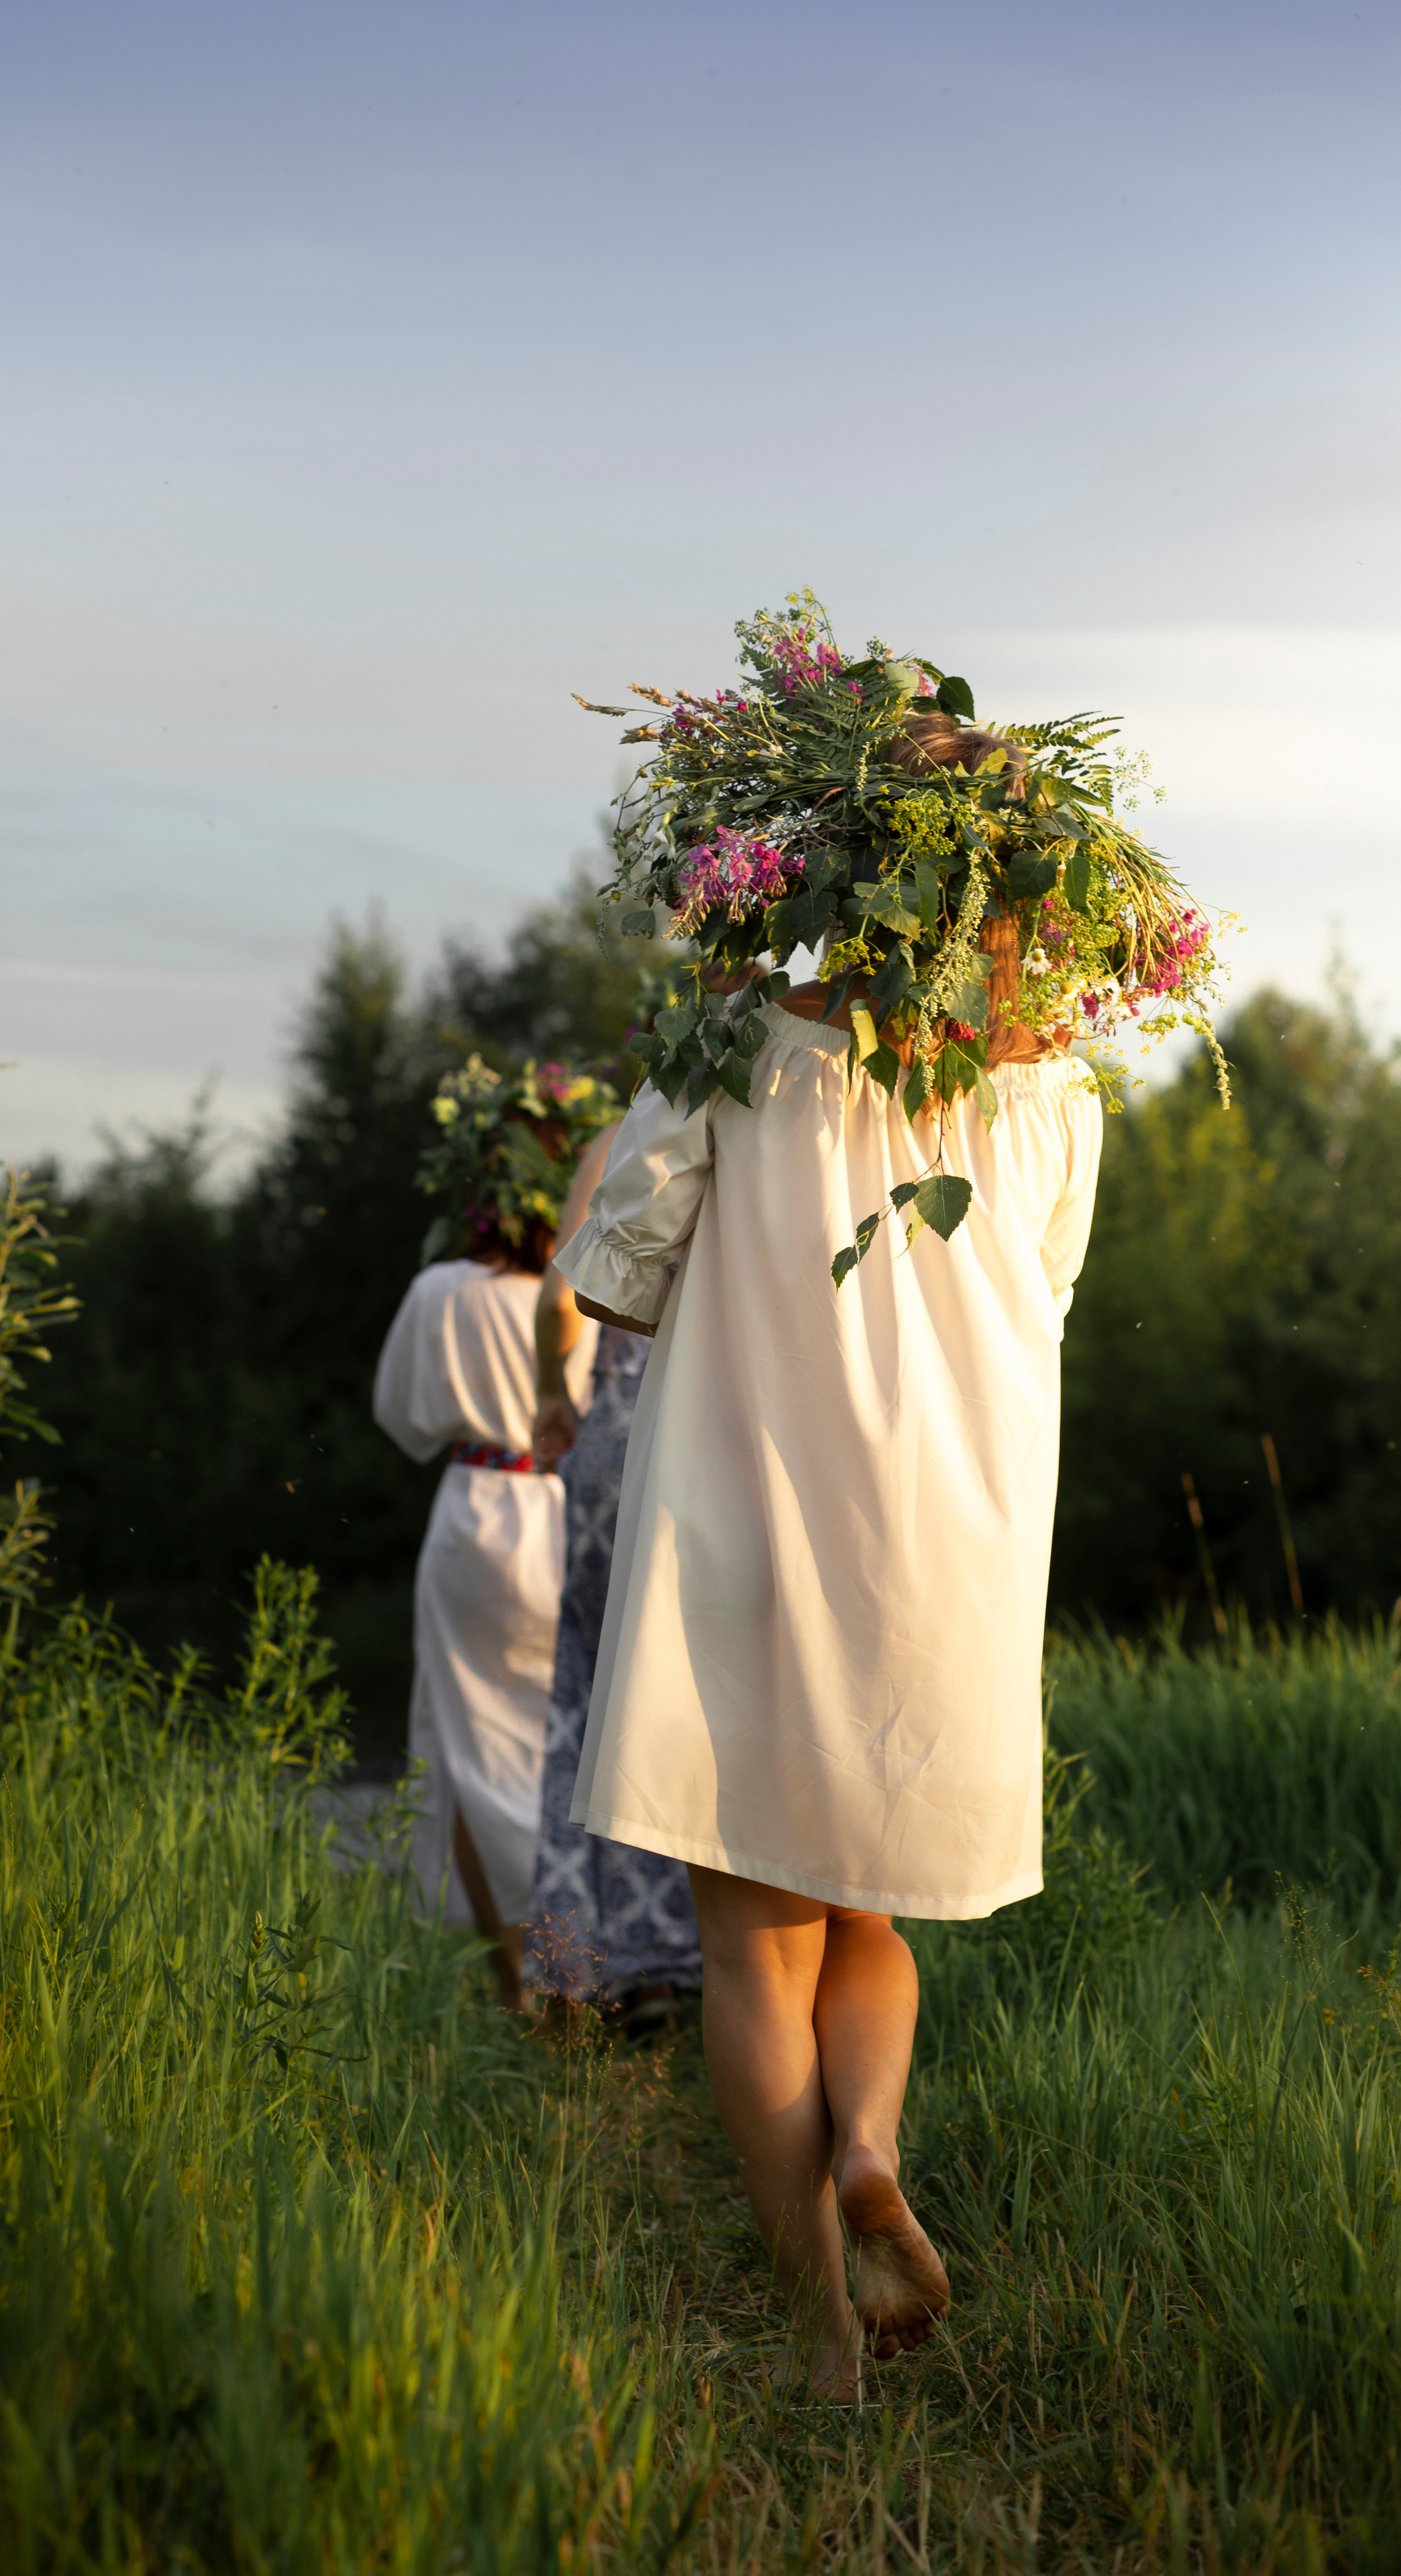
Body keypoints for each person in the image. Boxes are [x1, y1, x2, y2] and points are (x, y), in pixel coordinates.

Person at [552, 743, 1103, 2394]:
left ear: (820, 868)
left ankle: (816, 2331)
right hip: (947, 1543)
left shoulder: (743, 1046)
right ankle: (866, 2146)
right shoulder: (1055, 1082)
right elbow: (1047, 1295)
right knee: (864, 1898)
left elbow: (609, 1282)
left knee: (751, 1937)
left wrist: (716, 1009)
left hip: (750, 1513)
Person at [373, 1059, 615, 2007]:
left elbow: (402, 1416)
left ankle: (521, 1977)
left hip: (476, 1513)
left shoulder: (442, 1291)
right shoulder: (597, 1284)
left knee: (470, 1749)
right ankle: (583, 1973)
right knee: (577, 1746)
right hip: (573, 1512)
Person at [525, 1123, 703, 2024]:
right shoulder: (781, 1124)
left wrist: (552, 1393)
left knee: (593, 1694)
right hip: (710, 1440)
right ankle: (692, 1960)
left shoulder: (629, 1137)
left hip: (620, 1437)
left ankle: (583, 1962)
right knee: (694, 1696)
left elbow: (563, 1300)